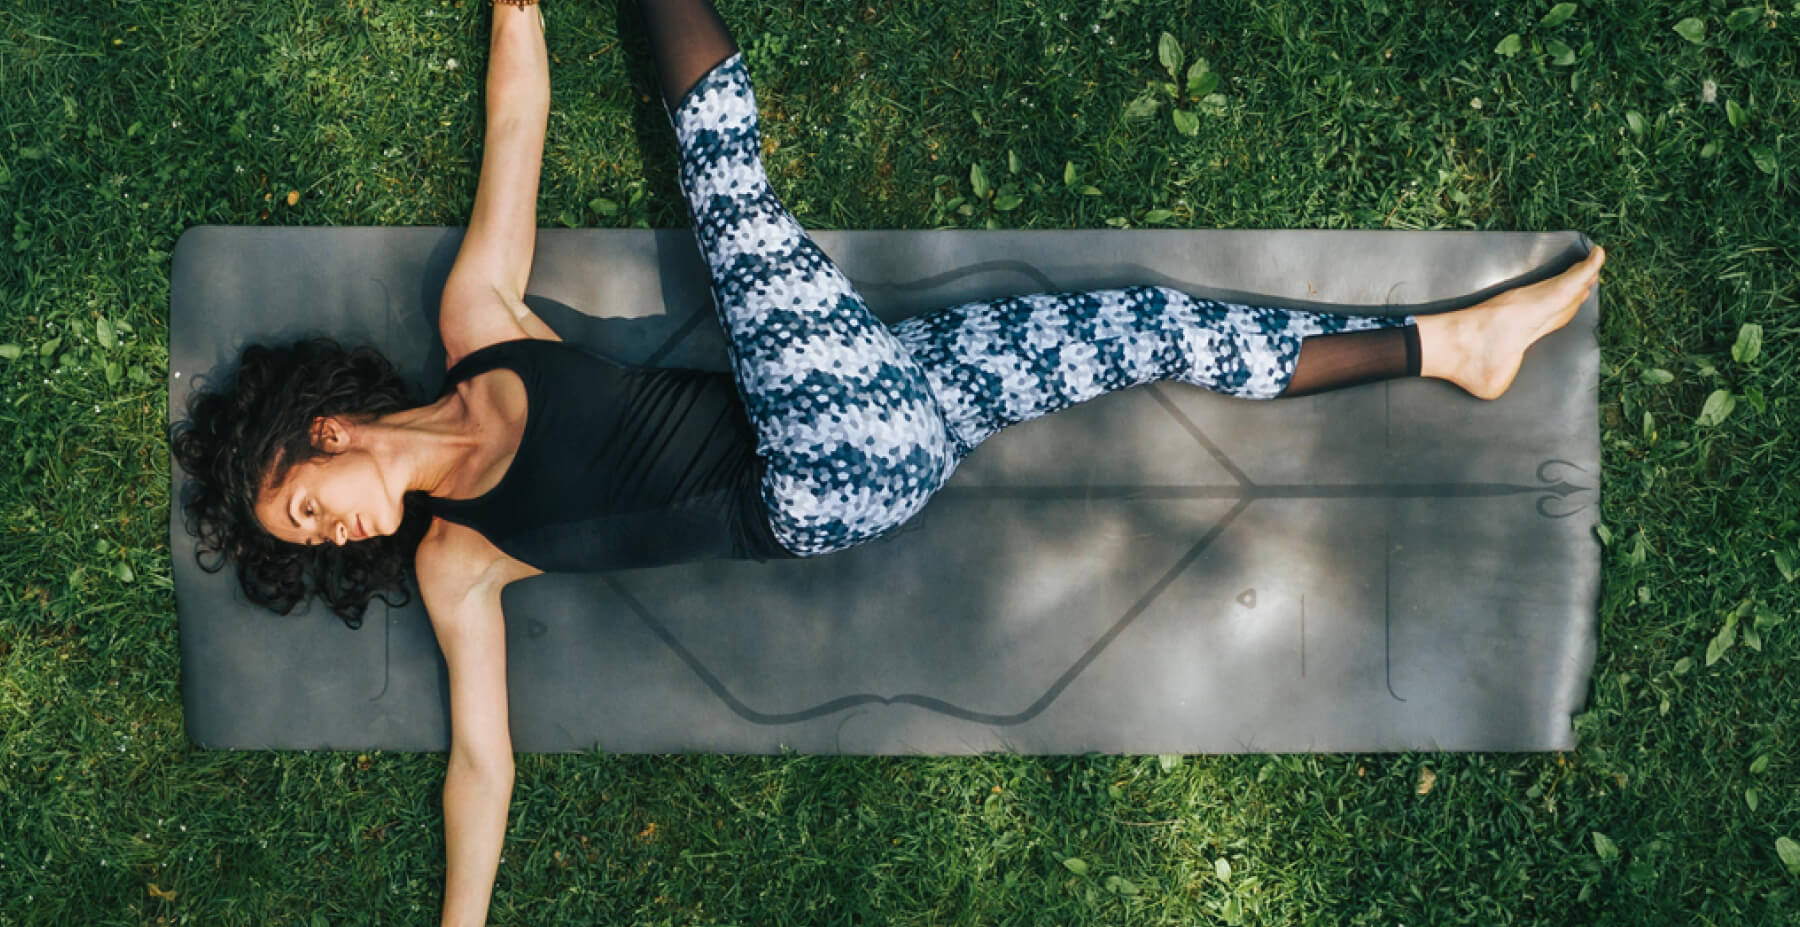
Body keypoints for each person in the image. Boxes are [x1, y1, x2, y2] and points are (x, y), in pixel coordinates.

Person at [171, 0, 1604, 921]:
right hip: (827, 483)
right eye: (315, 547)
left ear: (326, 430)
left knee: (1143, 328)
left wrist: (516, 17)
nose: (338, 534)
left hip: (877, 402)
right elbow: (480, 761)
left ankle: (1448, 353)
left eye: (311, 507)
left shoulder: (475, 326)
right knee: (727, 187)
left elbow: (517, 127)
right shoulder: (456, 561)